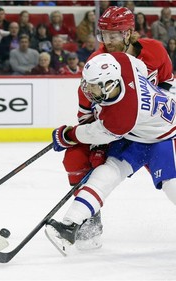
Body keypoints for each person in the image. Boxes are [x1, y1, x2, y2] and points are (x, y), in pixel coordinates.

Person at [58, 6, 174, 251]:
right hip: (115, 130)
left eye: (114, 35)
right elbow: (88, 114)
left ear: (129, 33)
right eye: (103, 35)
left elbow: (168, 85)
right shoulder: (98, 63)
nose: (107, 41)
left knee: (172, 183)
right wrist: (98, 145)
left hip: (157, 129)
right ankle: (89, 221)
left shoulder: (154, 50)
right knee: (75, 158)